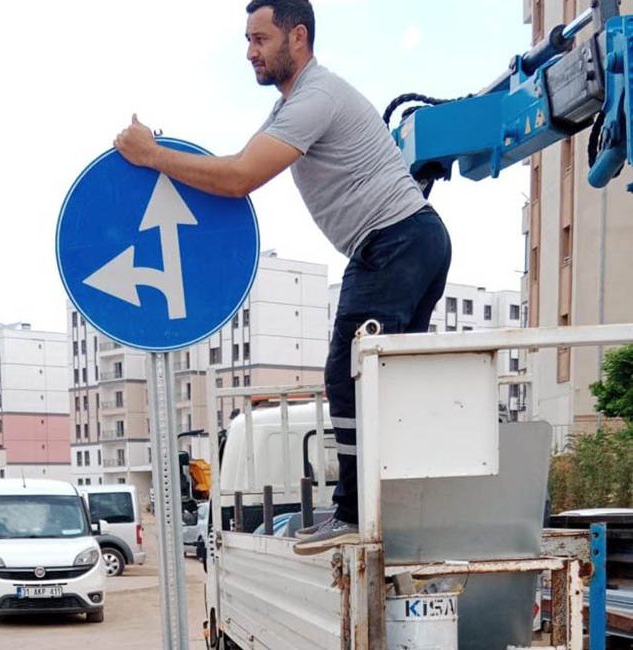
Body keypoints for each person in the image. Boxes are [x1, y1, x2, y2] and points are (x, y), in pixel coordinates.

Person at [114, 0, 451, 555]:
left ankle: (354, 512)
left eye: (260, 39)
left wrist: (153, 156)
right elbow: (234, 162)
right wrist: (165, 153)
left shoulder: (315, 97)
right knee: (385, 384)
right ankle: (392, 508)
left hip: (395, 240)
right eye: (247, 40)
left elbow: (241, 176)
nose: (251, 52)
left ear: (298, 36)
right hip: (406, 240)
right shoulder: (291, 107)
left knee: (350, 375)